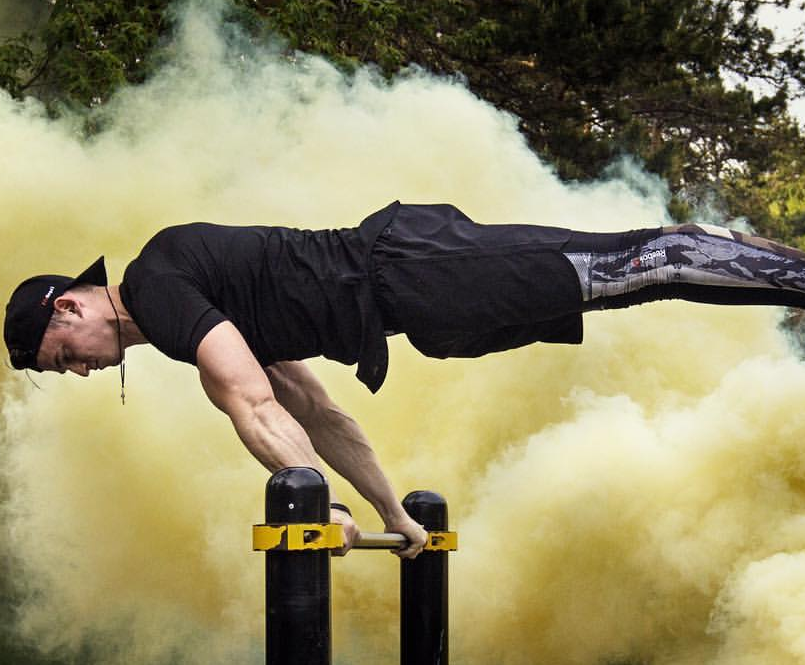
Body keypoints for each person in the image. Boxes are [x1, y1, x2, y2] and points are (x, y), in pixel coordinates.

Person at [6, 202, 805, 557]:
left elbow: (250, 405)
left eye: (63, 352)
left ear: (69, 304)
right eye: (64, 371)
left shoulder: (159, 281)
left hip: (415, 266)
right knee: (631, 280)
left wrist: (320, 506)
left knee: (638, 261)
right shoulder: (188, 316)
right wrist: (391, 510)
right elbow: (314, 409)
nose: (77, 369)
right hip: (425, 310)